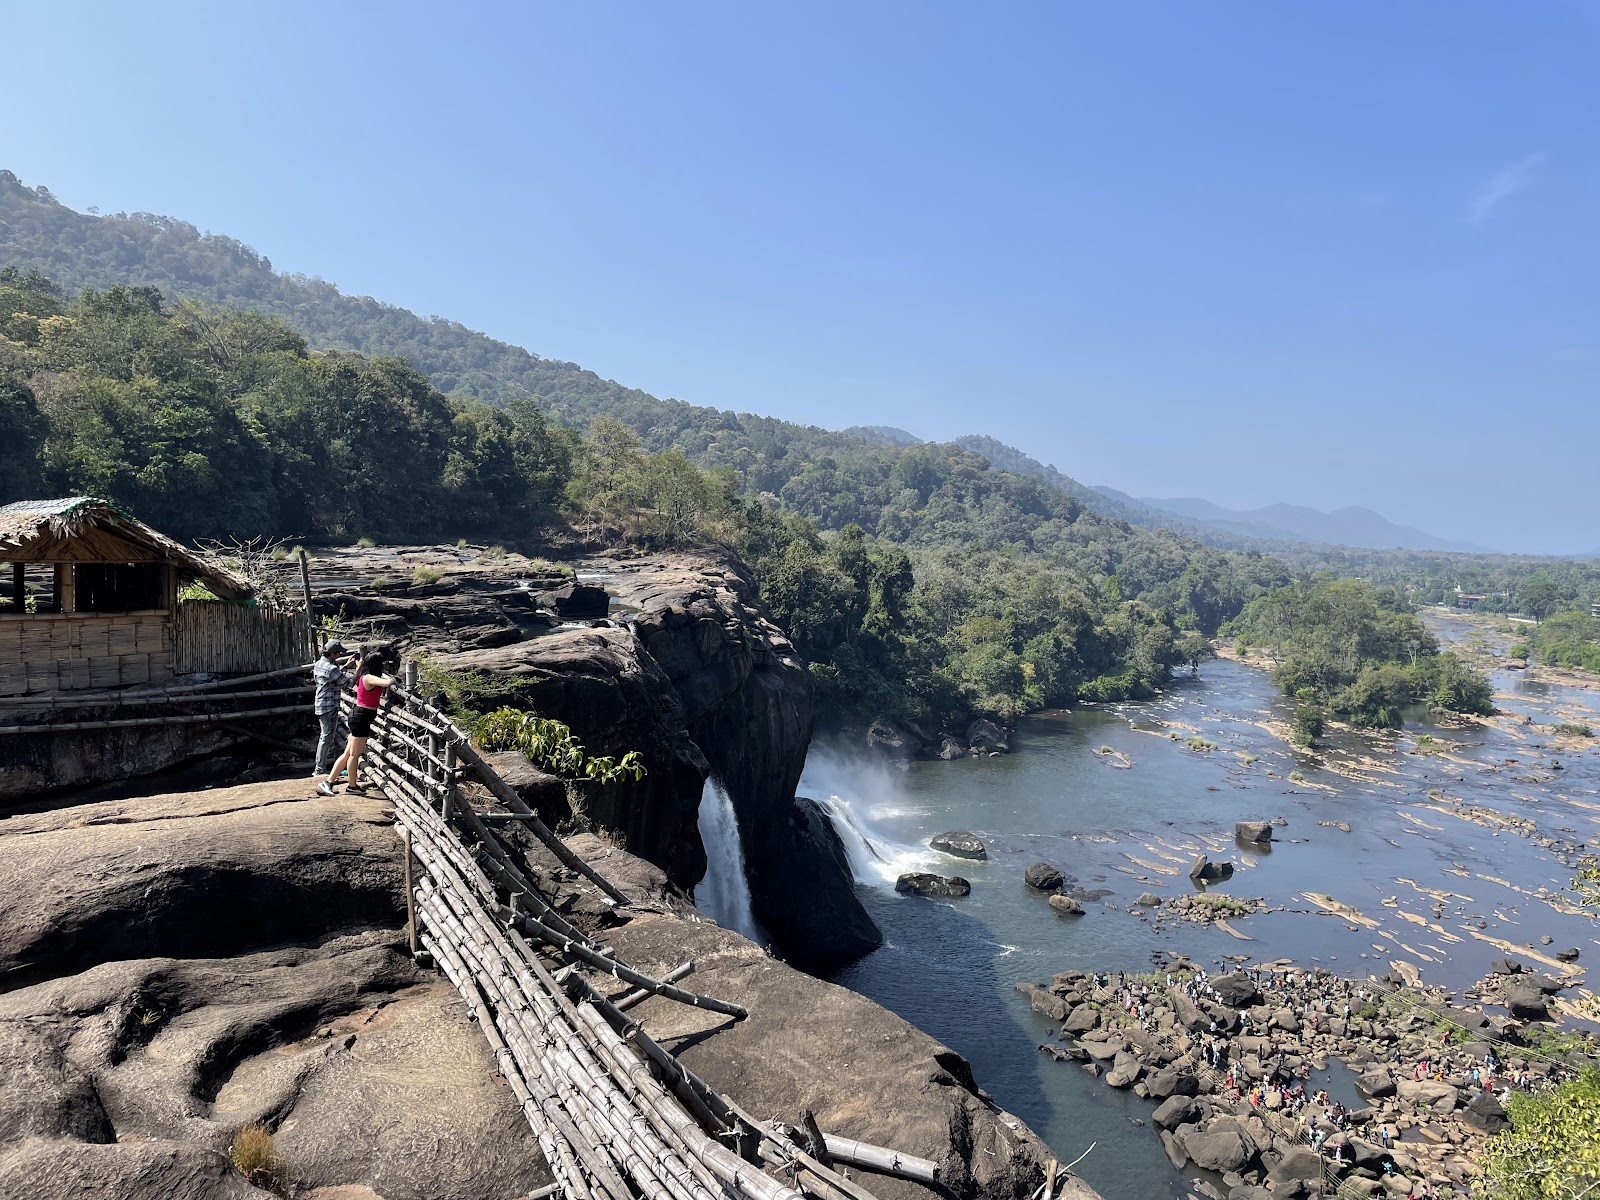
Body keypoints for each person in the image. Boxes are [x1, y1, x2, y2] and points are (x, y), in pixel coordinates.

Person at [318, 651, 396, 796]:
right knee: (354, 755)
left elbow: (382, 679)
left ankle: (329, 782)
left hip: (360, 717)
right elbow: (388, 682)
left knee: (348, 753)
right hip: (361, 718)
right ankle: (351, 786)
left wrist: (383, 673)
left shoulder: (367, 676)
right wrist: (389, 677)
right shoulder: (368, 678)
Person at [312, 641, 356, 780]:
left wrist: (344, 668)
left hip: (322, 704)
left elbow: (332, 678)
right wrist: (359, 669)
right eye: (337, 653)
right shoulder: (331, 668)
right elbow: (349, 683)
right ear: (332, 654)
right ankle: (319, 769)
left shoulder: (319, 663)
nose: (339, 655)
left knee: (325, 736)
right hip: (329, 705)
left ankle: (321, 767)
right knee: (326, 737)